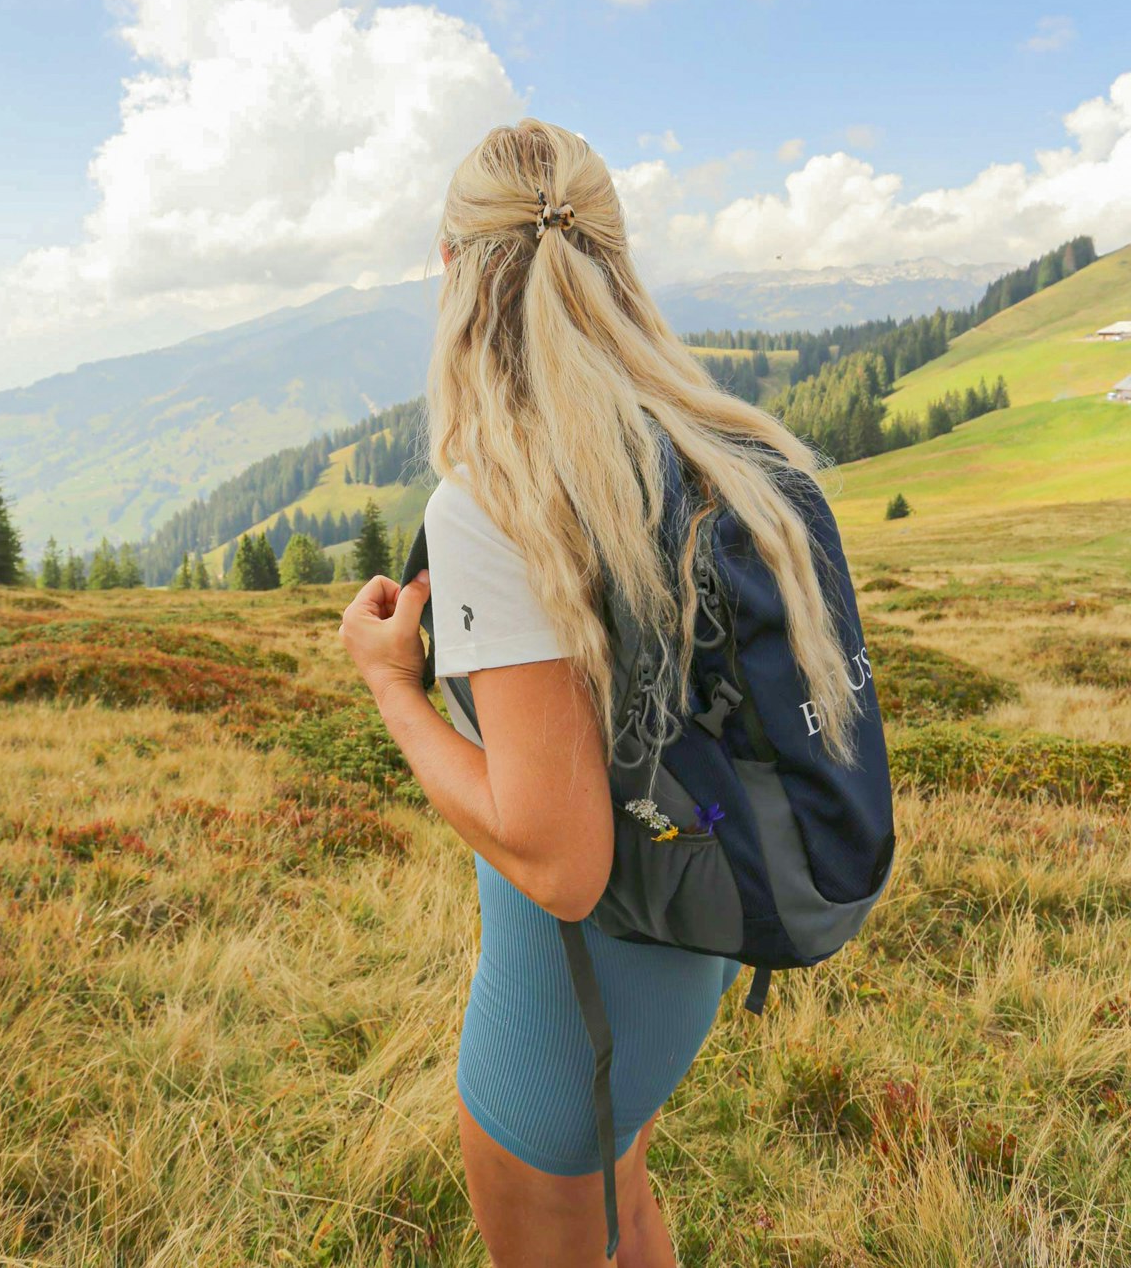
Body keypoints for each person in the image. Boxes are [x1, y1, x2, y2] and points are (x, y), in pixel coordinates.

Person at [338, 118, 869, 1267]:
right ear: (616, 261)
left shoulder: (497, 497)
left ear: (450, 272)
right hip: (680, 939)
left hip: (566, 988)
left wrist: (392, 689)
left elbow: (557, 859)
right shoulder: (708, 443)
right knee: (622, 1206)